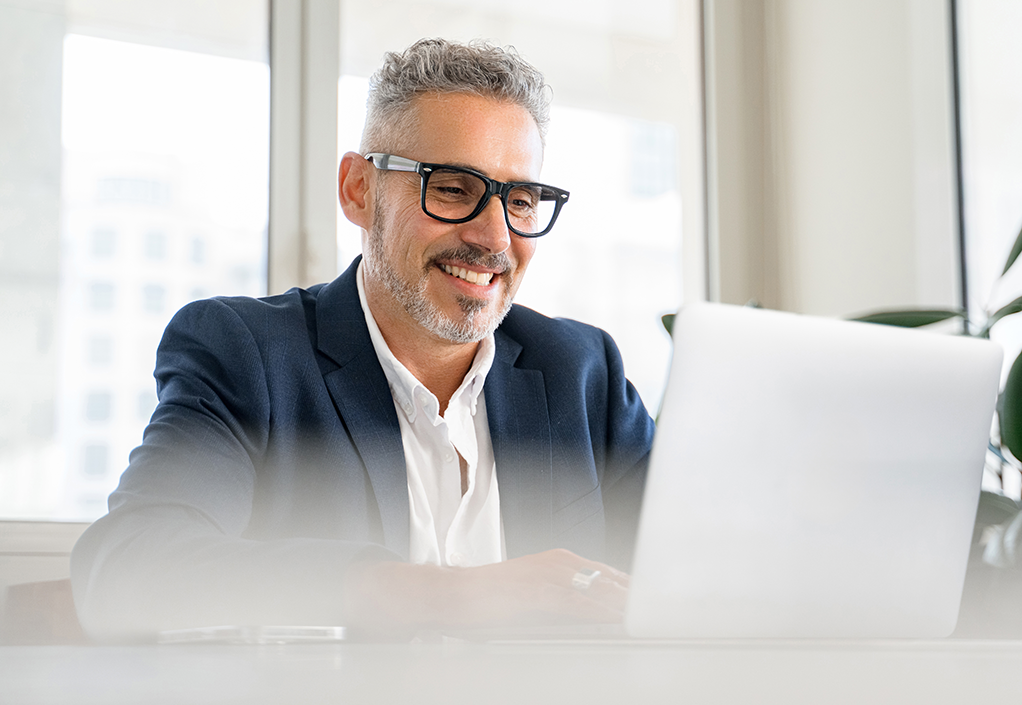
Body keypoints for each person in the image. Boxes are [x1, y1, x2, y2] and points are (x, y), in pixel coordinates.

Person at [70, 38, 655, 641]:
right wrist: (447, 596)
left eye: (521, 200)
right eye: (454, 189)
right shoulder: (247, 356)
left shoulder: (584, 373)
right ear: (358, 190)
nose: (495, 237)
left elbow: (702, 573)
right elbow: (126, 569)